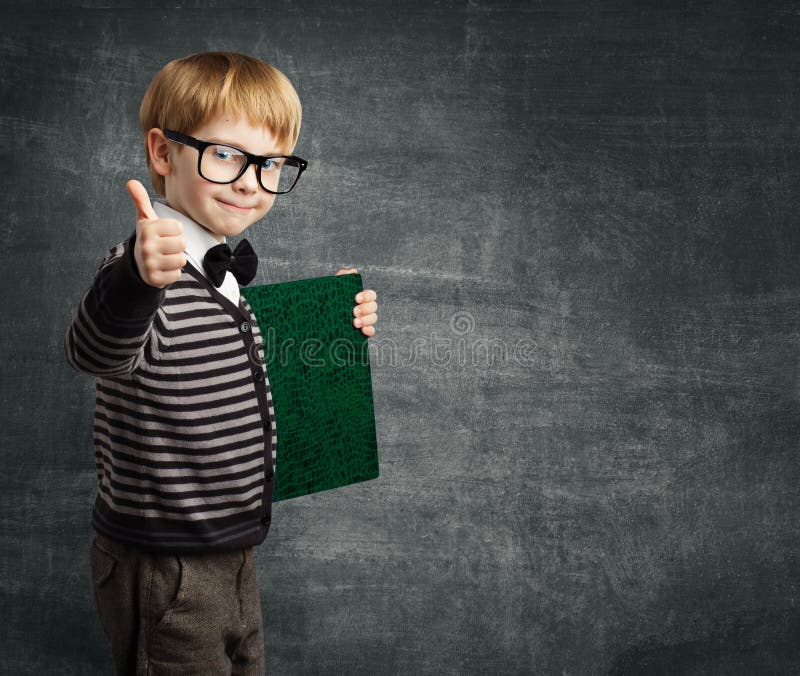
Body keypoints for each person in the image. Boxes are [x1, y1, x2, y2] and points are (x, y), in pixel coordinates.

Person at [64, 51, 378, 675]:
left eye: (269, 166)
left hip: (233, 547)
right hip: (164, 561)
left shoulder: (227, 281)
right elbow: (95, 350)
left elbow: (245, 376)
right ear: (163, 154)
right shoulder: (143, 272)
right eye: (227, 155)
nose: (249, 183)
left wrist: (333, 318)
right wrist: (135, 277)